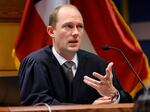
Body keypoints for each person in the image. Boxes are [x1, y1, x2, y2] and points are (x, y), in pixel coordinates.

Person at [18, 4, 133, 105]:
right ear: (51, 31)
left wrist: (113, 94)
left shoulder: (97, 64)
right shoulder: (36, 63)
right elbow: (37, 104)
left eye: (80, 27)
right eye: (68, 26)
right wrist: (88, 110)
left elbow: (128, 103)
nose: (75, 33)